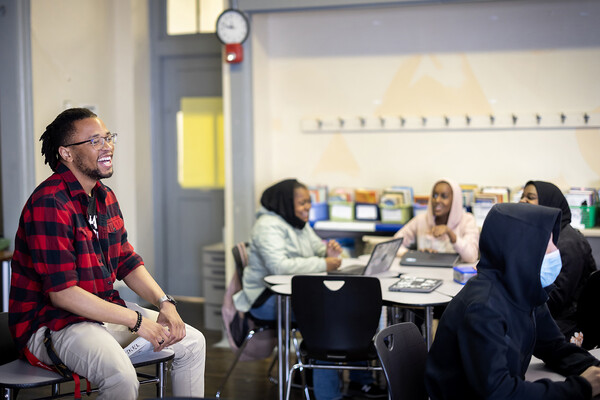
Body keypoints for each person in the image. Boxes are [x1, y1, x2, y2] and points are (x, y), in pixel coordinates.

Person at [9, 108, 205, 399]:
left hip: (101, 313)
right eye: (95, 141)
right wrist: (137, 322)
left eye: (108, 137)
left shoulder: (104, 196)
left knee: (192, 343)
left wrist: (165, 303)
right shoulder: (49, 203)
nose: (107, 146)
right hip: (53, 324)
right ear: (66, 153)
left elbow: (126, 261)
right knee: (121, 377)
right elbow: (63, 294)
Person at [425, 202, 600, 399]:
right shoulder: (483, 308)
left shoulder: (525, 291)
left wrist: (595, 370)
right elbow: (499, 393)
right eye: (546, 244)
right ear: (520, 250)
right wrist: (581, 387)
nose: (554, 251)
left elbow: (556, 349)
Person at [233, 179, 386, 399]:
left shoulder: (297, 222)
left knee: (351, 312)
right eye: (302, 202)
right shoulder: (267, 226)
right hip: (266, 299)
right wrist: (324, 263)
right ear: (285, 203)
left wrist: (329, 250)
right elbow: (279, 266)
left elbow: (317, 248)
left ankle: (359, 382)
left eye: (309, 202)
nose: (308, 207)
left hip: (293, 294)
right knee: (326, 320)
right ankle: (328, 395)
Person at [520, 181, 597, 339]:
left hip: (568, 324)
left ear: (550, 203)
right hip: (545, 314)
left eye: (530, 197)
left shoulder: (569, 243)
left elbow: (554, 301)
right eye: (522, 196)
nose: (522, 200)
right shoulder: (541, 234)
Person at [393, 178, 479, 263]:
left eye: (444, 196)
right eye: (434, 195)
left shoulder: (467, 220)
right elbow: (393, 245)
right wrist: (416, 254)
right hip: (425, 272)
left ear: (455, 200)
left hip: (454, 273)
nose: (437, 200)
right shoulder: (421, 220)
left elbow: (471, 257)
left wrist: (450, 234)